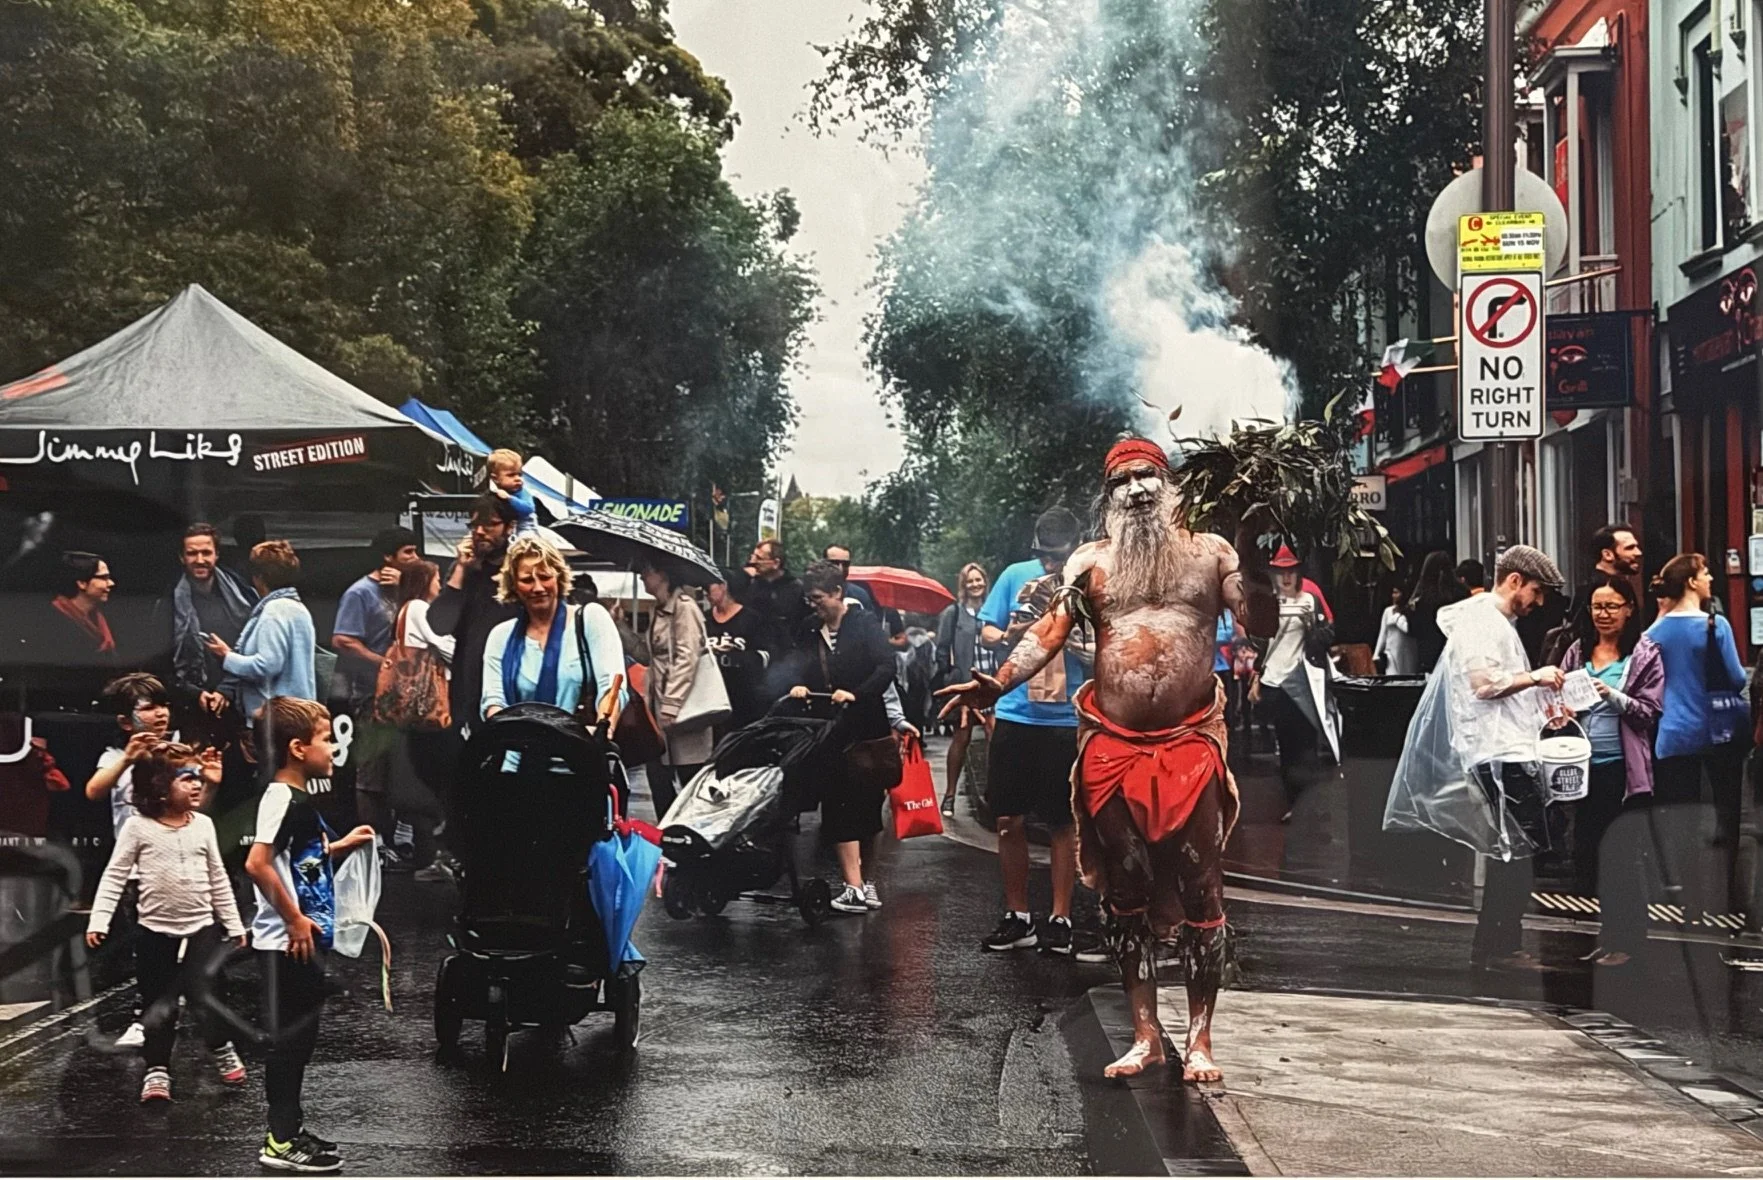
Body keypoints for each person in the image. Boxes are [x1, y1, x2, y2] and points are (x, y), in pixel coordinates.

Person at [942, 438, 1276, 1081]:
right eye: (1122, 480)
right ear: (1108, 497)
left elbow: (1257, 619)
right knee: (1125, 890)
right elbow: (1049, 631)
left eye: (1147, 475)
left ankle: (1201, 1038)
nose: (1137, 489)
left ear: (1169, 482)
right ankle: (1146, 1033)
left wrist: (1257, 555)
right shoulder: (1090, 563)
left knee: (1203, 886)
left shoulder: (1212, 553)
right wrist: (998, 682)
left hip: (1190, 743)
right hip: (1112, 746)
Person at [1399, 545, 1567, 970]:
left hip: (1505, 748)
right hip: (1496, 753)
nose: (1539, 602)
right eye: (1536, 590)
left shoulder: (1495, 621)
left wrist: (1540, 701)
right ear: (1514, 580)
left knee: (1516, 849)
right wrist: (1536, 676)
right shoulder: (1481, 620)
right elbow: (1483, 683)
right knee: (1515, 849)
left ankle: (1498, 944)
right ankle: (1499, 947)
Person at [244, 697, 375, 1174]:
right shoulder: (282, 799)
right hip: (286, 942)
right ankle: (278, 1141)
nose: (333, 746)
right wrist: (296, 919)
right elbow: (257, 864)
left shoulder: (298, 801)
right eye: (325, 738)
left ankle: (290, 1129)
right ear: (298, 748)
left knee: (301, 1040)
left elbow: (299, 861)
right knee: (288, 1042)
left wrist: (341, 846)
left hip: (302, 941)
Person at [86, 742, 245, 1103]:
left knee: (207, 998)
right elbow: (115, 876)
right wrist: (100, 919)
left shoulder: (202, 825)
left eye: (197, 777)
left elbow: (218, 877)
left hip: (202, 927)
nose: (196, 784)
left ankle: (220, 1046)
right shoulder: (138, 829)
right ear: (157, 786)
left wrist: (234, 925)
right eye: (186, 777)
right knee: (158, 1002)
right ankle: (157, 1069)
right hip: (154, 930)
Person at [972, 507, 1087, 957]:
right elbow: (986, 631)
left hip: (1067, 717)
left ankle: (1061, 918)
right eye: (1045, 557)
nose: (1051, 566)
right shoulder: (1014, 575)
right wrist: (1011, 635)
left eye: (1058, 558)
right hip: (1018, 712)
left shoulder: (1088, 577)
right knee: (1007, 818)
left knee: (1063, 821)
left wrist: (1071, 641)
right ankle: (1018, 915)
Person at [782, 560, 899, 914]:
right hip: (829, 729)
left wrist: (857, 694)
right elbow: (799, 662)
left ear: (837, 592)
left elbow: (886, 666)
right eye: (809, 599)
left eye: (819, 598)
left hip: (866, 728)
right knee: (837, 803)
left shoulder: (863, 625)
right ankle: (853, 886)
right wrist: (799, 685)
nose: (814, 604)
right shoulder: (809, 628)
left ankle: (867, 882)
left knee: (868, 808)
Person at [1559, 574, 1662, 967]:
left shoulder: (1645, 654)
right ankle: (1608, 935)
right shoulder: (1576, 651)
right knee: (1588, 855)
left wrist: (1612, 695)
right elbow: (1556, 698)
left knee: (1621, 856)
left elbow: (1649, 712)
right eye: (1597, 607)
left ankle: (1628, 941)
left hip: (1623, 771)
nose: (1603, 615)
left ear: (1629, 609)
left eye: (1611, 607)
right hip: (1582, 768)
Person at [84, 673, 187, 1050]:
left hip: (177, 861)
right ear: (126, 722)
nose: (160, 714)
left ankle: (183, 1009)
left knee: (180, 945)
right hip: (134, 868)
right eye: (148, 708)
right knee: (144, 947)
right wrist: (129, 757)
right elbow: (94, 790)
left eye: (164, 705)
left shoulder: (178, 752)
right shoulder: (114, 757)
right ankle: (147, 1017)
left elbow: (196, 803)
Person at [1646, 553, 1749, 918]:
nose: (1709, 579)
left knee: (1682, 818)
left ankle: (1686, 899)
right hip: (1717, 731)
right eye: (1705, 573)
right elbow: (1736, 679)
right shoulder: (1714, 625)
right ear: (1691, 581)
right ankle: (1725, 894)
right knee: (1725, 812)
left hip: (1672, 735)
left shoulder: (1653, 633)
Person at [333, 528, 424, 863]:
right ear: (388, 557)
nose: (414, 558)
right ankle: (375, 843)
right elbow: (343, 640)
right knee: (371, 771)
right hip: (371, 695)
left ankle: (403, 833)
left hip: (407, 697)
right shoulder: (360, 593)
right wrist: (383, 663)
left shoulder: (406, 592)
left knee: (403, 767)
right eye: (408, 552)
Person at [480, 535, 625, 723]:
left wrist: (604, 730)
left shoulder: (591, 619)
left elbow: (611, 688)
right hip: (518, 748)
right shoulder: (500, 636)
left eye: (545, 577)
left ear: (559, 578)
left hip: (580, 747)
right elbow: (493, 700)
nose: (538, 587)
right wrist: (504, 730)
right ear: (514, 586)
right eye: (527, 580)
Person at [1248, 545, 1338, 818]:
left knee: (1307, 745)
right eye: (1281, 572)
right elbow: (1261, 643)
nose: (1286, 577)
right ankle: (1293, 802)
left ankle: (1307, 803)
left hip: (1304, 681)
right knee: (1287, 747)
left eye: (1291, 571)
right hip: (1276, 684)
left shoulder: (1310, 596)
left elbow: (1329, 630)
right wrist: (1256, 677)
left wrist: (1313, 632)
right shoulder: (1266, 600)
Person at [385, 561, 456, 883]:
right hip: (429, 705)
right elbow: (444, 647)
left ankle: (434, 853)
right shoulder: (417, 607)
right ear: (424, 581)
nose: (439, 585)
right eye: (437, 578)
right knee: (442, 780)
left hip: (416, 713)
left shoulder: (406, 609)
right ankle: (440, 855)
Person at [428, 495, 521, 736]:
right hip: (469, 683)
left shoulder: (521, 569)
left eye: (490, 524)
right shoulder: (465, 569)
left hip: (512, 678)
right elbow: (439, 624)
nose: (480, 532)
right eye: (474, 525)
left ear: (509, 526)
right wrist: (460, 569)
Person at [205, 542, 316, 724]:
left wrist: (227, 657)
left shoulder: (275, 610)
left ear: (258, 577)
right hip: (296, 717)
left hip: (273, 723)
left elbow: (267, 665)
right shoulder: (298, 608)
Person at [640, 562, 714, 819]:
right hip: (660, 709)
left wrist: (671, 704)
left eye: (647, 570)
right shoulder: (657, 611)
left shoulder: (684, 608)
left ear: (663, 573)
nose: (641, 575)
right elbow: (645, 655)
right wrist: (621, 627)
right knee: (658, 775)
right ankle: (668, 838)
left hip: (683, 710)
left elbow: (687, 658)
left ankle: (690, 844)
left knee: (689, 781)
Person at [157, 523, 258, 698]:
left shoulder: (244, 596)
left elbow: (256, 650)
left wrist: (226, 691)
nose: (200, 560)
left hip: (241, 693)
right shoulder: (168, 604)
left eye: (206, 552)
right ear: (182, 558)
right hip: (192, 699)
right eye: (192, 553)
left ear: (217, 555)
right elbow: (162, 663)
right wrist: (196, 694)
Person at [936, 562, 996, 816]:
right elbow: (941, 649)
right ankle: (949, 796)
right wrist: (952, 678)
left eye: (978, 580)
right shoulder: (954, 613)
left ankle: (994, 794)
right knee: (962, 736)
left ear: (985, 582)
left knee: (996, 734)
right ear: (963, 585)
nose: (975, 585)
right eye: (970, 581)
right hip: (968, 684)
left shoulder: (994, 611)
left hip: (992, 682)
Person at [705, 572, 769, 730]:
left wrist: (735, 657)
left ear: (723, 586)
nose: (704, 591)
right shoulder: (703, 618)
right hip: (712, 692)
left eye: (708, 586)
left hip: (743, 693)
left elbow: (765, 655)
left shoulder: (752, 619)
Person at [736, 539, 810, 661]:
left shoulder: (796, 589)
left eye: (759, 558)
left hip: (786, 654)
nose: (753, 562)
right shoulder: (750, 586)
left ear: (775, 563)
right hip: (755, 652)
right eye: (753, 557)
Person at [47, 550, 120, 667]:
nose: (111, 583)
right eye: (103, 578)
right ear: (82, 583)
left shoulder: (100, 619)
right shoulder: (51, 622)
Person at [1408, 551, 1466, 673]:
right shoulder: (1461, 592)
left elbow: (1413, 629)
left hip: (1428, 655)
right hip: (1456, 653)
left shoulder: (1422, 597)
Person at [485, 448, 539, 536]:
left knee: (525, 541)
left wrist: (510, 499)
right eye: (511, 475)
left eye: (519, 474)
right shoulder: (494, 494)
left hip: (524, 526)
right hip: (506, 527)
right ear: (495, 478)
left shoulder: (522, 492)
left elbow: (529, 508)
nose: (518, 479)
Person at [1374, 585, 1418, 675]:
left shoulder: (1410, 611)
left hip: (1407, 654)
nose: (1393, 596)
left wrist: (1397, 618)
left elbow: (1408, 629)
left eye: (1396, 593)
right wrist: (1376, 654)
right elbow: (1383, 634)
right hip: (1391, 654)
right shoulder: (1387, 611)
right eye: (1393, 593)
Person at [823, 545, 878, 613]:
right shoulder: (811, 593)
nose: (840, 568)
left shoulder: (859, 594)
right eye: (835, 563)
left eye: (845, 564)